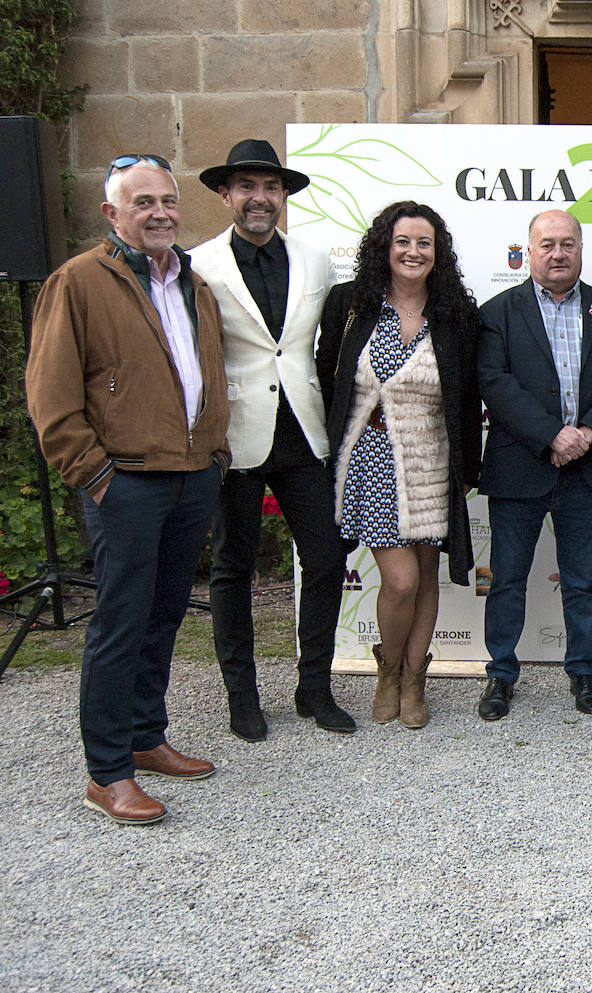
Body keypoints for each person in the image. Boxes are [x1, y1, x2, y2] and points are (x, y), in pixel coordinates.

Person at [27, 153, 230, 824]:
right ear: (112, 214)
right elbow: (52, 398)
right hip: (126, 483)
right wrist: (97, 476)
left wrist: (215, 456)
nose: (160, 212)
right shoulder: (78, 282)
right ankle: (107, 771)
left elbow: (205, 376)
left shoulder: (191, 283)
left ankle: (146, 736)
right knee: (120, 623)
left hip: (190, 475)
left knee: (165, 614)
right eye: (142, 202)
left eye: (167, 201)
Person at [191, 139, 352, 742]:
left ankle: (314, 687)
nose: (260, 198)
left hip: (304, 434)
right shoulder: (197, 264)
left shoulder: (315, 261)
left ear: (284, 196)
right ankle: (242, 695)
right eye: (247, 187)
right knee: (233, 569)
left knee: (328, 559)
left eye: (271, 188)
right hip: (234, 438)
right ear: (226, 194)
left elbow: (322, 349)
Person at [316, 201, 484, 731]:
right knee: (403, 581)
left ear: (438, 252)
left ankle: (415, 679)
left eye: (424, 243)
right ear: (385, 248)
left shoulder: (456, 313)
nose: (413, 252)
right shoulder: (350, 304)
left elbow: (468, 396)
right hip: (372, 461)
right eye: (403, 241)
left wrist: (469, 469)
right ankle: (387, 670)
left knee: (428, 573)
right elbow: (327, 379)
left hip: (432, 457)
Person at [476, 209, 592, 721]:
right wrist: (550, 435)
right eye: (547, 244)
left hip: (586, 469)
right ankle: (500, 675)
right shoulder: (497, 312)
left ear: (581, 249)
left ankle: (583, 672)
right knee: (506, 580)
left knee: (583, 581)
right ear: (529, 250)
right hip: (520, 468)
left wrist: (587, 433)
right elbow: (495, 383)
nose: (558, 253)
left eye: (567, 244)